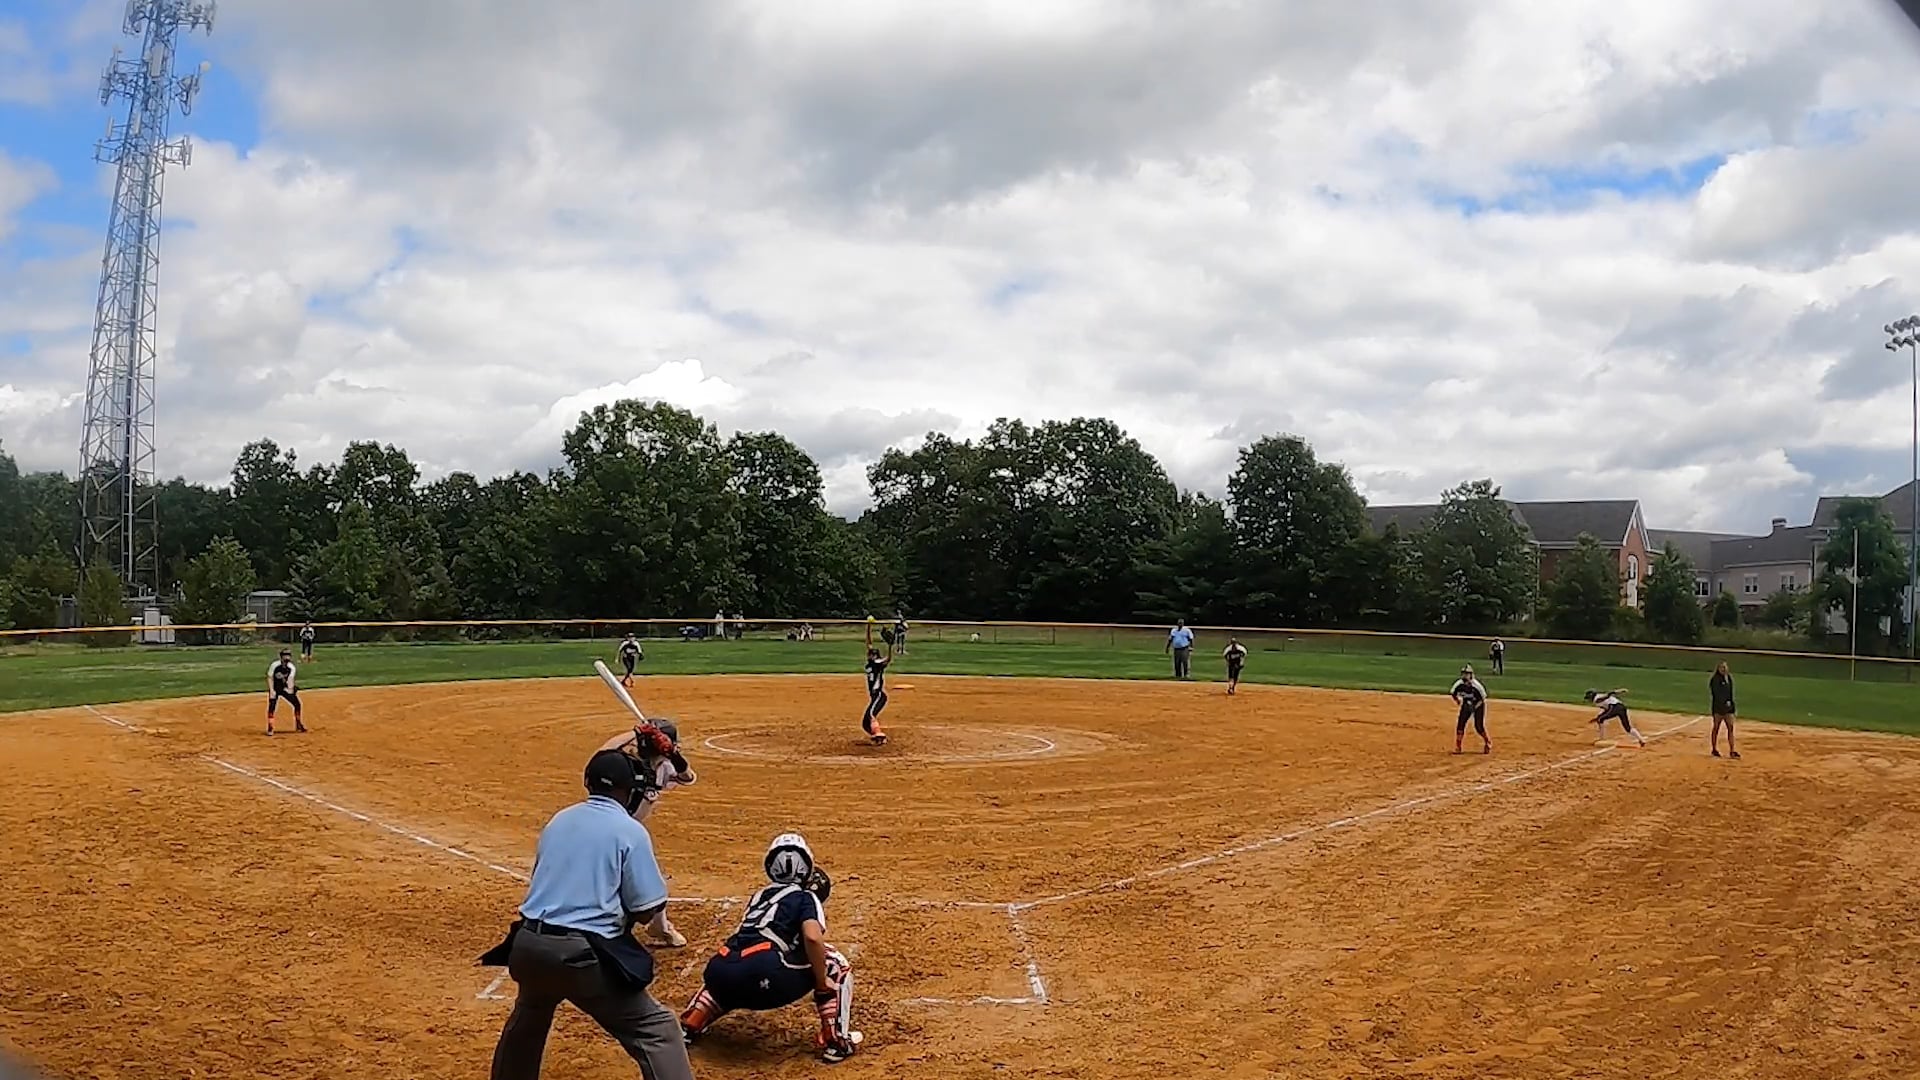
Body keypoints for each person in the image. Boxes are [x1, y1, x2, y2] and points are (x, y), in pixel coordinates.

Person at [481, 750, 694, 1080]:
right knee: (658, 1030)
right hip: (578, 957)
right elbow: (646, 910)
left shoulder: (559, 820)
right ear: (628, 791)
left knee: (530, 1014)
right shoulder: (629, 830)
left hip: (527, 946)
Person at [679, 834, 861, 1063]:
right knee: (834, 962)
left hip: (718, 974)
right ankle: (836, 1041)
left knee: (733, 965)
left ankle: (690, 1023)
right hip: (765, 976)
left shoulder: (758, 897)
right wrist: (822, 983)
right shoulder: (806, 897)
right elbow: (812, 938)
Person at [595, 720, 698, 947]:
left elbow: (688, 777)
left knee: (645, 876)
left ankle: (659, 927)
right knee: (628, 877)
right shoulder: (626, 763)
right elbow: (604, 751)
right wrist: (633, 732)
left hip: (630, 831)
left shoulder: (665, 767)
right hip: (608, 827)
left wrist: (673, 755)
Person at [1450, 665, 1491, 755]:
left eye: (1467, 674)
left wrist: (1474, 707)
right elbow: (1453, 693)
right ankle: (1458, 747)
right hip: (1466, 704)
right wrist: (1457, 700)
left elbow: (1482, 699)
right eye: (1463, 674)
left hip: (1478, 705)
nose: (1465, 676)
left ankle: (1487, 742)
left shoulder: (1476, 686)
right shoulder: (1459, 684)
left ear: (1471, 675)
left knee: (1478, 726)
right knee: (1460, 724)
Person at [265, 649, 305, 736]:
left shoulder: (291, 667)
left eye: (288, 655)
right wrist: (271, 690)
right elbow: (270, 678)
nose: (287, 657)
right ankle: (270, 727)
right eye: (285, 655)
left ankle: (298, 724)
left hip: (284, 688)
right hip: (275, 688)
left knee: (297, 704)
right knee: (272, 707)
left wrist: (290, 689)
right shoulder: (275, 665)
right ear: (281, 657)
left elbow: (290, 680)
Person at [1709, 662, 1740, 759]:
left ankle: (1732, 750)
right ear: (1718, 669)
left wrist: (1732, 706)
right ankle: (1714, 749)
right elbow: (1716, 694)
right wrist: (1724, 702)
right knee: (1716, 728)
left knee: (1730, 728)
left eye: (1725, 667)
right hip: (1718, 708)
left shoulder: (1729, 678)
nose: (1724, 669)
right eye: (1722, 667)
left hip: (1728, 708)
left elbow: (1730, 693)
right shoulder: (1715, 680)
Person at [861, 647, 889, 745]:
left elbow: (886, 660)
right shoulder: (869, 665)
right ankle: (877, 737)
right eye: (870, 655)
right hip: (874, 697)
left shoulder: (878, 664)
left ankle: (879, 734)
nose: (870, 656)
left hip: (879, 696)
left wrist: (890, 648)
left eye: (873, 655)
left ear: (876, 656)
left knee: (871, 715)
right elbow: (869, 646)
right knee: (865, 723)